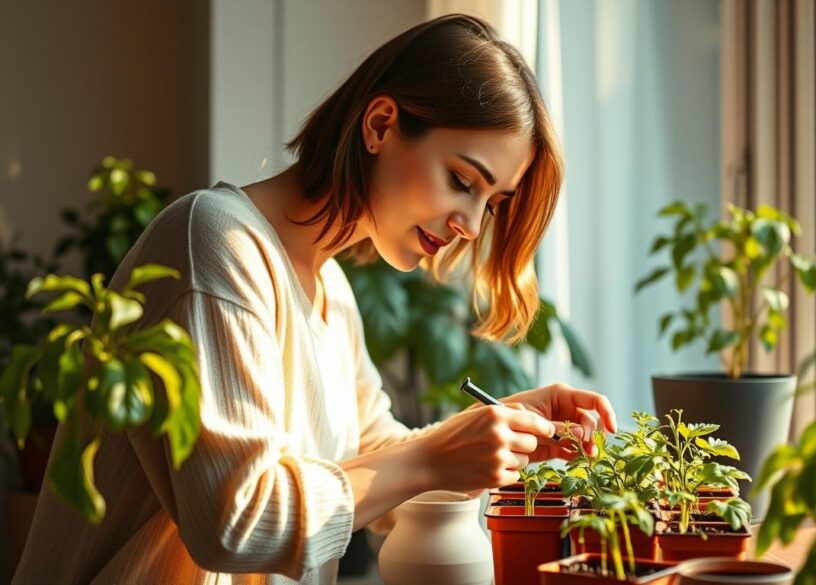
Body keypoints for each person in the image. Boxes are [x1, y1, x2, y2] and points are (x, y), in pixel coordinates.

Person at [14, 13, 617, 585]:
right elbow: (237, 520)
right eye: (462, 180)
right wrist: (438, 454)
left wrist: (504, 426)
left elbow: (373, 462)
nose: (470, 225)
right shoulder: (214, 243)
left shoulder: (331, 288)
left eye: (492, 202)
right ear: (380, 125)